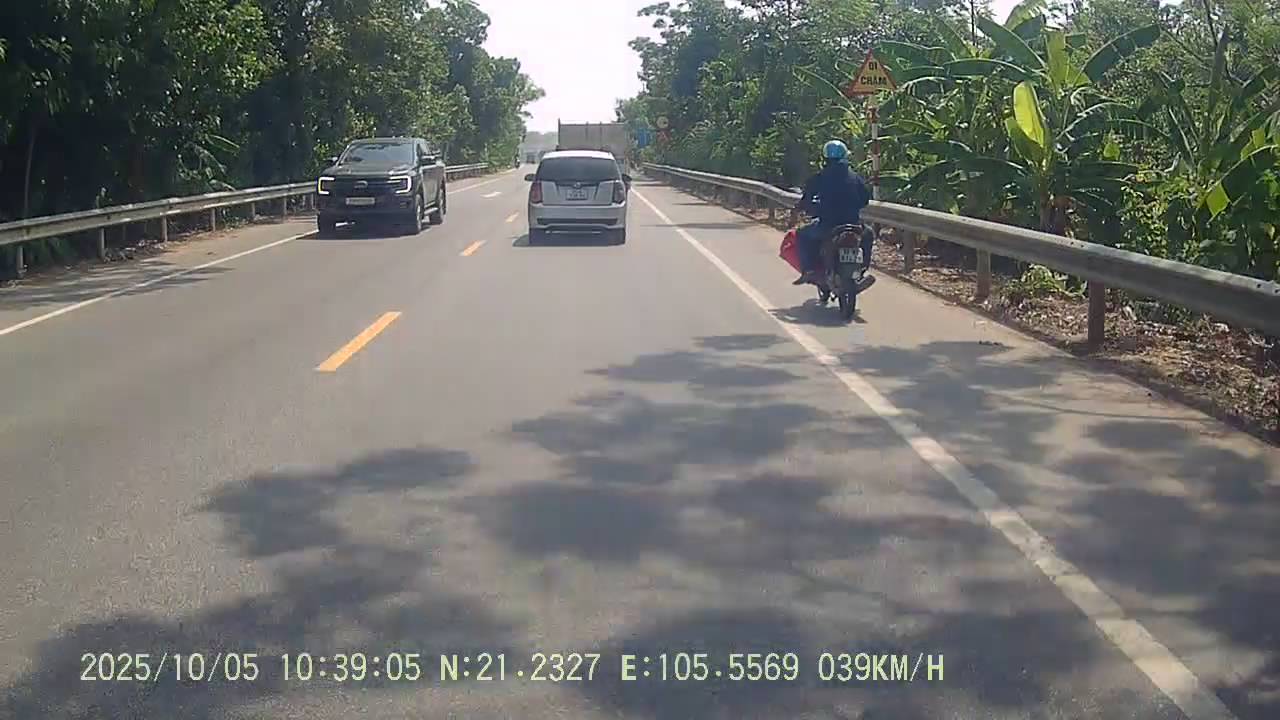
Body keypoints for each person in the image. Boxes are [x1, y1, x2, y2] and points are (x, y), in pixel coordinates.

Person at [792, 139, 873, 285]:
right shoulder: (855, 177)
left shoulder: (820, 177)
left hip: (828, 226)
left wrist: (806, 207)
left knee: (802, 235)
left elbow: (807, 199)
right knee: (869, 234)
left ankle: (809, 270)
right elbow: (865, 199)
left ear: (825, 157)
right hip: (853, 225)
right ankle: (863, 269)